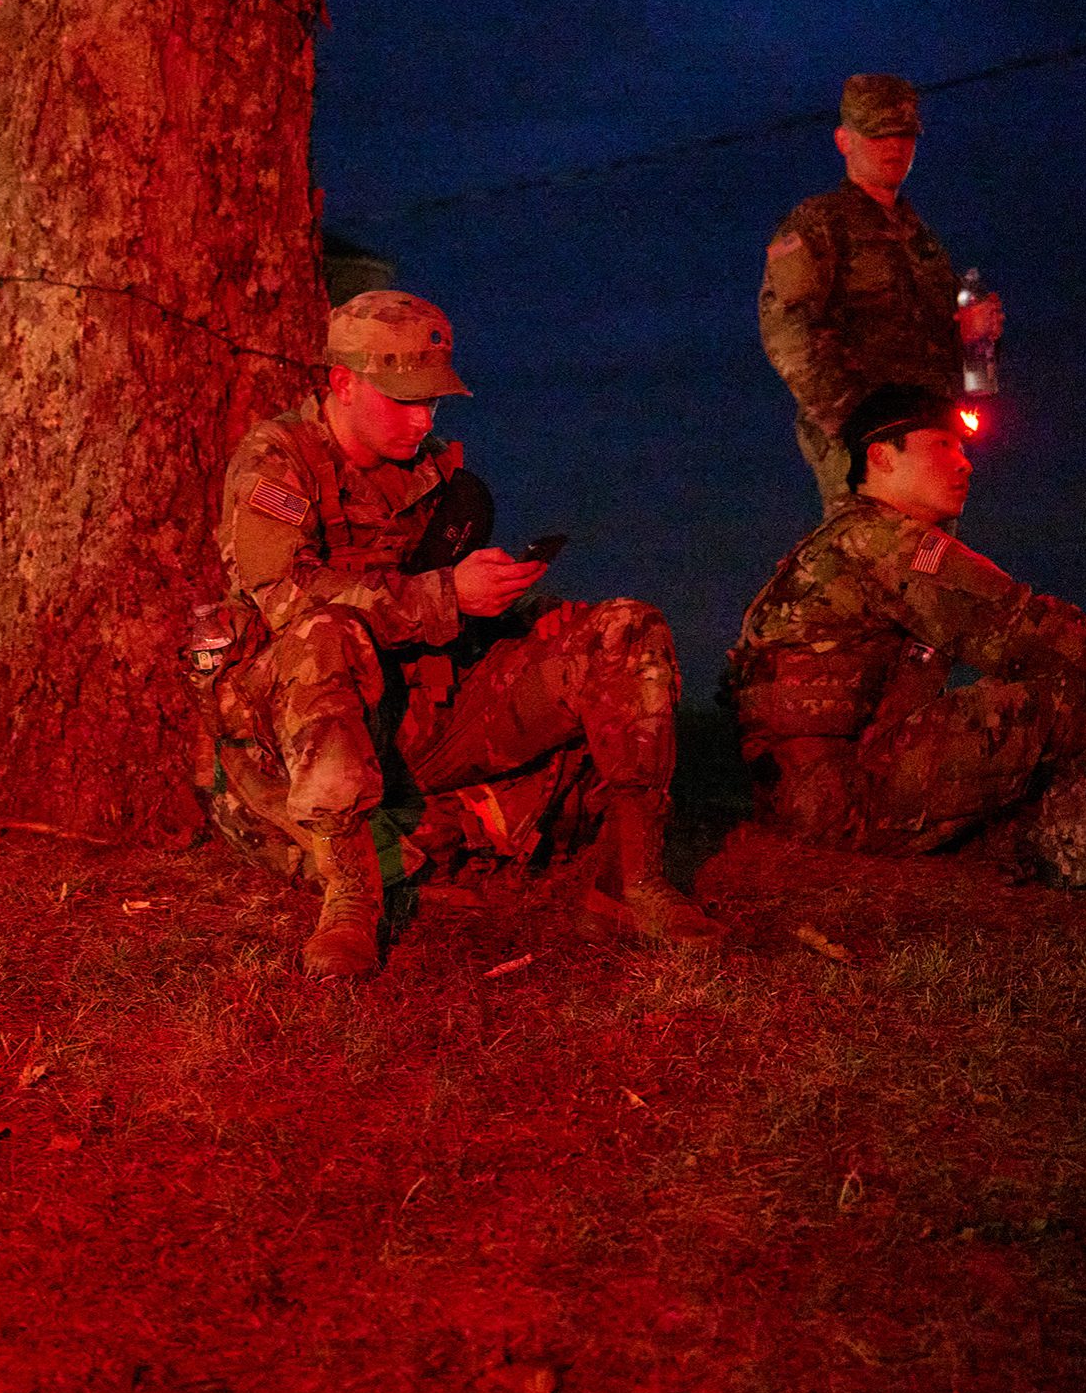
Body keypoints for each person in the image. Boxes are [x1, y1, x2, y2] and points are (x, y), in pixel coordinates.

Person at [202, 290, 726, 981]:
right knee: (326, 632)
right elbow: (283, 599)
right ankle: (350, 897)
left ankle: (631, 881)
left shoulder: (435, 473)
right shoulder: (279, 460)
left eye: (432, 401)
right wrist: (446, 595)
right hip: (311, 726)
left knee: (624, 629)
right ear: (343, 382)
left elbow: (447, 607)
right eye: (403, 399)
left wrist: (512, 604)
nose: (422, 418)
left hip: (426, 711)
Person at [725, 384, 1086, 896]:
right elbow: (1026, 629)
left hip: (813, 800)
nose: (965, 465)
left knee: (1017, 718)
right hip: (842, 801)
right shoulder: (883, 541)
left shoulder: (847, 541)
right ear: (881, 457)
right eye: (943, 446)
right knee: (1059, 696)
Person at [759, 74, 1004, 510]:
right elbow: (788, 334)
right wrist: (856, 424)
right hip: (866, 446)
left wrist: (969, 333)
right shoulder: (818, 225)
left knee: (928, 567)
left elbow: (936, 345)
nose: (894, 148)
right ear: (844, 140)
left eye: (904, 135)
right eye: (877, 135)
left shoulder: (921, 239)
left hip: (931, 436)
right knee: (873, 563)